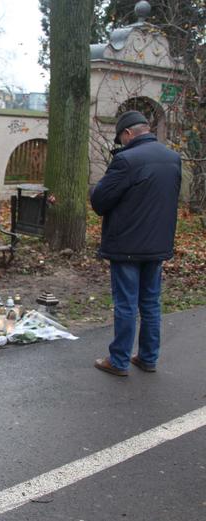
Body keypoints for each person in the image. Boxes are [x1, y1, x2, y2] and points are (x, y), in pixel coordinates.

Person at [90, 110, 181, 376]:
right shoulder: (173, 158)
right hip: (157, 244)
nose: (121, 143)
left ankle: (118, 361)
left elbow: (100, 202)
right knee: (151, 303)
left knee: (127, 303)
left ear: (128, 133)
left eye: (121, 138)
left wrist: (94, 188)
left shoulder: (127, 160)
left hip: (127, 245)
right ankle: (148, 358)